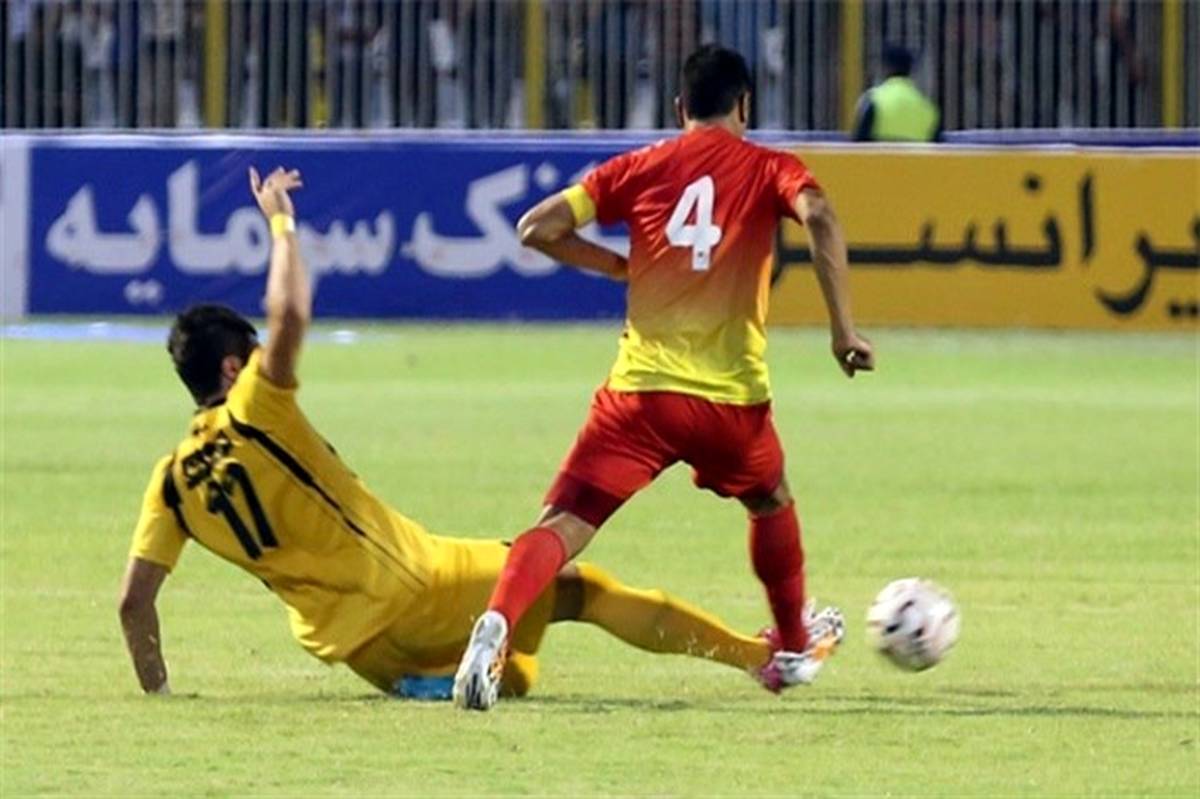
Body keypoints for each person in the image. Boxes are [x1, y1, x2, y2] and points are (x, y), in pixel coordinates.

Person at [117, 166, 792, 700]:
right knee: (580, 589)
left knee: (518, 675)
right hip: (414, 586)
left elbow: (133, 603)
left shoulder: (170, 484)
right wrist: (282, 225)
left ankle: (446, 677)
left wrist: (160, 693)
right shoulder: (254, 406)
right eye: (254, 352)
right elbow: (290, 313)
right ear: (232, 368)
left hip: (361, 653)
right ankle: (763, 656)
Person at [454, 44, 873, 711]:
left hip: (639, 397)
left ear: (680, 108)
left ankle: (496, 624)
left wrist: (615, 265)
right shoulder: (770, 167)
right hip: (730, 403)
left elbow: (536, 228)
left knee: (564, 523)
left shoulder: (639, 167)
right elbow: (819, 214)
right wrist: (842, 330)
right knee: (770, 500)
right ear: (745, 105)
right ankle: (793, 645)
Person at [851, 44, 941, 143]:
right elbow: (937, 146)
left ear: (886, 68)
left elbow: (858, 144)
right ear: (910, 70)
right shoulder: (928, 108)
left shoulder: (873, 99)